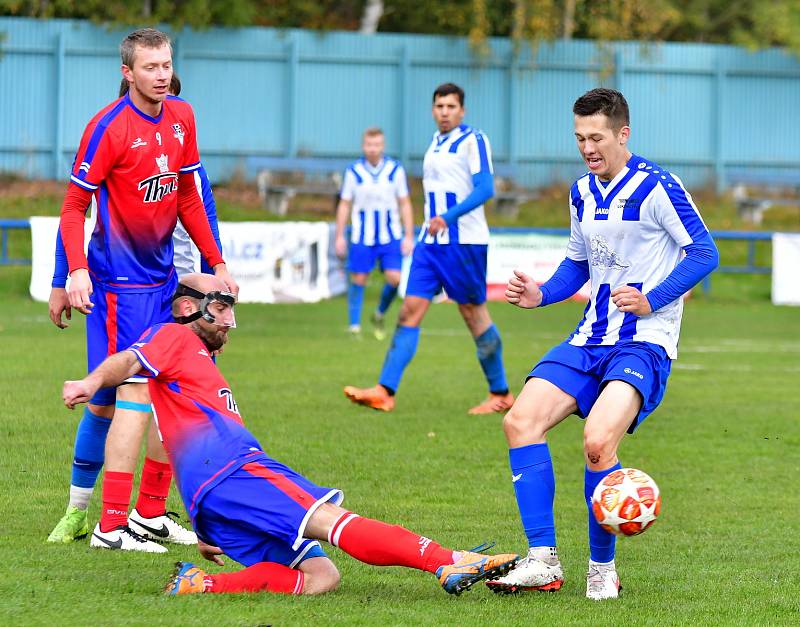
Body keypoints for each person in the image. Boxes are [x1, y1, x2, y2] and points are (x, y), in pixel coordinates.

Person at [61, 272, 520, 596]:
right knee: (334, 522)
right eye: (219, 308)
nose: (227, 321)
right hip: (235, 473)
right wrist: (89, 382)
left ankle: (200, 584)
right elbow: (126, 361)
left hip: (213, 495)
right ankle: (445, 559)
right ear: (188, 308)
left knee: (322, 577)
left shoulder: (194, 359)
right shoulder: (173, 337)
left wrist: (208, 519)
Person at [486, 88, 719, 600]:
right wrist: (543, 295)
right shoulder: (581, 192)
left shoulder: (659, 185)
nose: (587, 148)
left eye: (596, 138)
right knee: (520, 421)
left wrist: (653, 298)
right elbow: (578, 264)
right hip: (590, 336)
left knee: (597, 442)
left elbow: (704, 253)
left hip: (644, 343)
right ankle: (543, 561)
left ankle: (600, 568)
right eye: (579, 139)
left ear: (622, 134)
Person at [50, 28, 238, 552]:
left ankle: (149, 513)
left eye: (166, 65)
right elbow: (73, 208)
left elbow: (190, 201)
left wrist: (216, 263)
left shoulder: (183, 117)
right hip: (118, 289)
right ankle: (100, 521)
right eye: (150, 67)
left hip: (163, 282)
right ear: (127, 72)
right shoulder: (106, 128)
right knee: (119, 397)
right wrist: (72, 273)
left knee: (173, 390)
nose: (161, 75)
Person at [343, 83, 514, 414]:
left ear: (462, 110)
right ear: (433, 110)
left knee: (474, 315)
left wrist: (447, 217)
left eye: (451, 106)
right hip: (430, 243)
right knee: (409, 310)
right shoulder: (436, 143)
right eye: (439, 106)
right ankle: (384, 391)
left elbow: (485, 189)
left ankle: (501, 392)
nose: (445, 111)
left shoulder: (474, 140)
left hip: (463, 243)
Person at [334, 127, 414, 340]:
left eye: (377, 144)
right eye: (369, 144)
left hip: (390, 235)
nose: (373, 149)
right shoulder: (354, 172)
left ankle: (379, 314)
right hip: (362, 236)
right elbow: (345, 204)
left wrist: (408, 235)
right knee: (359, 278)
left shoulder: (395, 170)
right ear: (363, 146)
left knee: (395, 279)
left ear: (383, 146)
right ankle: (354, 326)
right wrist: (340, 235)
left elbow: (404, 203)